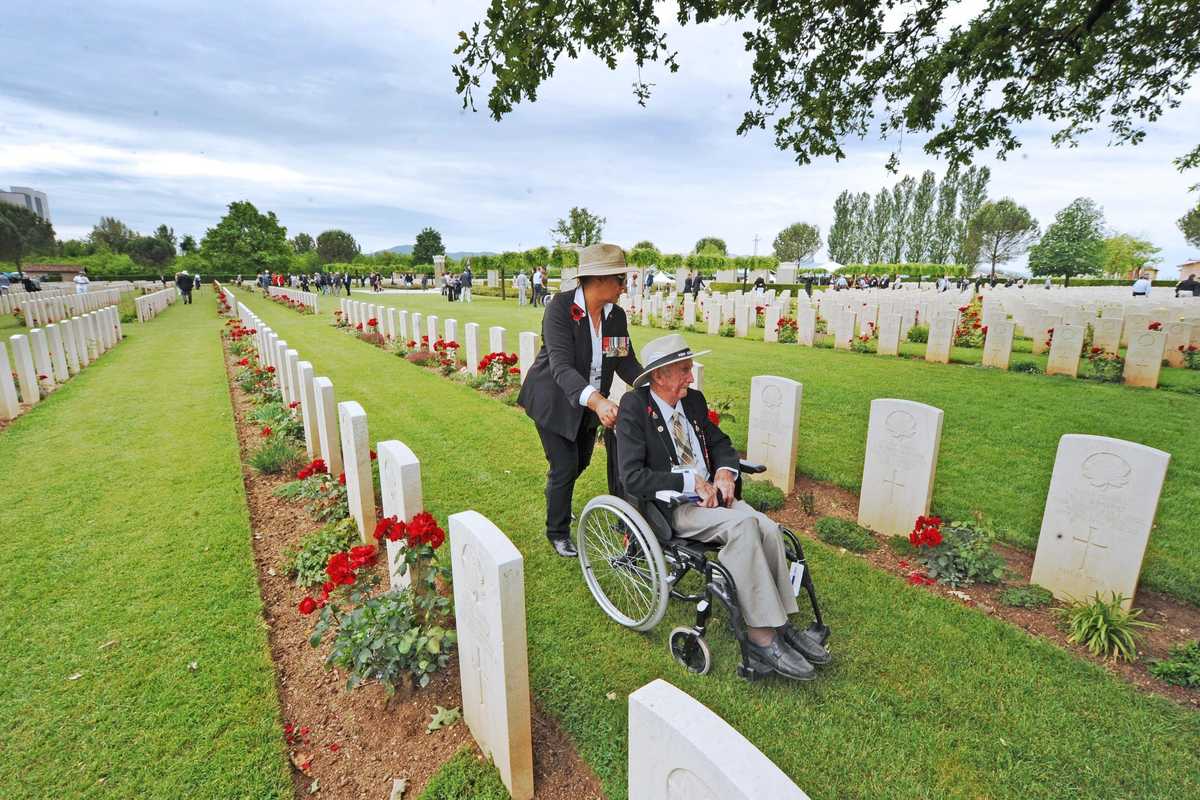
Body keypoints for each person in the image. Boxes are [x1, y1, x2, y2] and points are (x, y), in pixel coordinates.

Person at [615, 333, 831, 680]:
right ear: (659, 376)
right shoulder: (634, 409)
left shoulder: (694, 402)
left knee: (768, 528)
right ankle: (761, 637)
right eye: (684, 370)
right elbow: (633, 477)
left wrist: (726, 473)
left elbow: (720, 443)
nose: (691, 377)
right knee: (744, 528)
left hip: (716, 497)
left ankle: (781, 623)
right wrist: (690, 482)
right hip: (675, 506)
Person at [517, 243, 642, 558]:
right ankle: (557, 531)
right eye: (619, 279)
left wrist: (654, 385)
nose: (624, 286)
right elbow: (561, 366)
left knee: (582, 460)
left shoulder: (615, 316)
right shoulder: (560, 309)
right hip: (553, 399)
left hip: (590, 402)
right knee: (564, 465)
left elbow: (624, 362)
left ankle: (556, 494)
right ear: (598, 279)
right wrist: (599, 402)